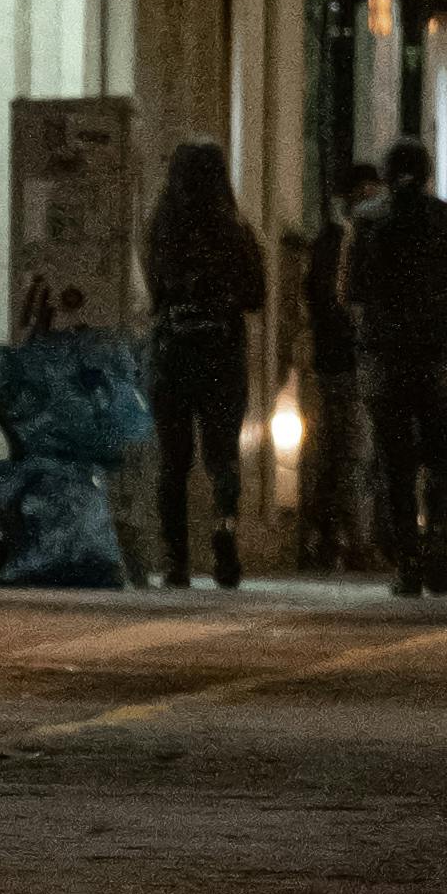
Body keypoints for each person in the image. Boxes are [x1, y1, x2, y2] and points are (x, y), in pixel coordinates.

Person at [346, 138, 447, 596]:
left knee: (396, 463)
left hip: (385, 354)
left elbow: (348, 289)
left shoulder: (365, 222)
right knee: (440, 457)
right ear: (427, 173)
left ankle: (407, 563)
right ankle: (439, 542)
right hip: (438, 352)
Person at [141, 141, 268, 591]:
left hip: (172, 354)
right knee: (222, 457)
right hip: (221, 353)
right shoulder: (235, 230)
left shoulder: (160, 229)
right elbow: (257, 295)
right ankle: (224, 532)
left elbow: (155, 292)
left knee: (173, 463)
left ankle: (176, 562)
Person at [0, 279, 146, 589]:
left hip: (53, 466)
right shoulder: (77, 363)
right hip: (54, 467)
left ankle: (49, 562)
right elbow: (123, 428)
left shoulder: (50, 363)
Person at [301, 162, 380, 576]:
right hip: (347, 364)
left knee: (335, 454)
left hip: (337, 362)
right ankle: (353, 541)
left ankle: (330, 538)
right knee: (348, 455)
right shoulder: (344, 241)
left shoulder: (333, 241)